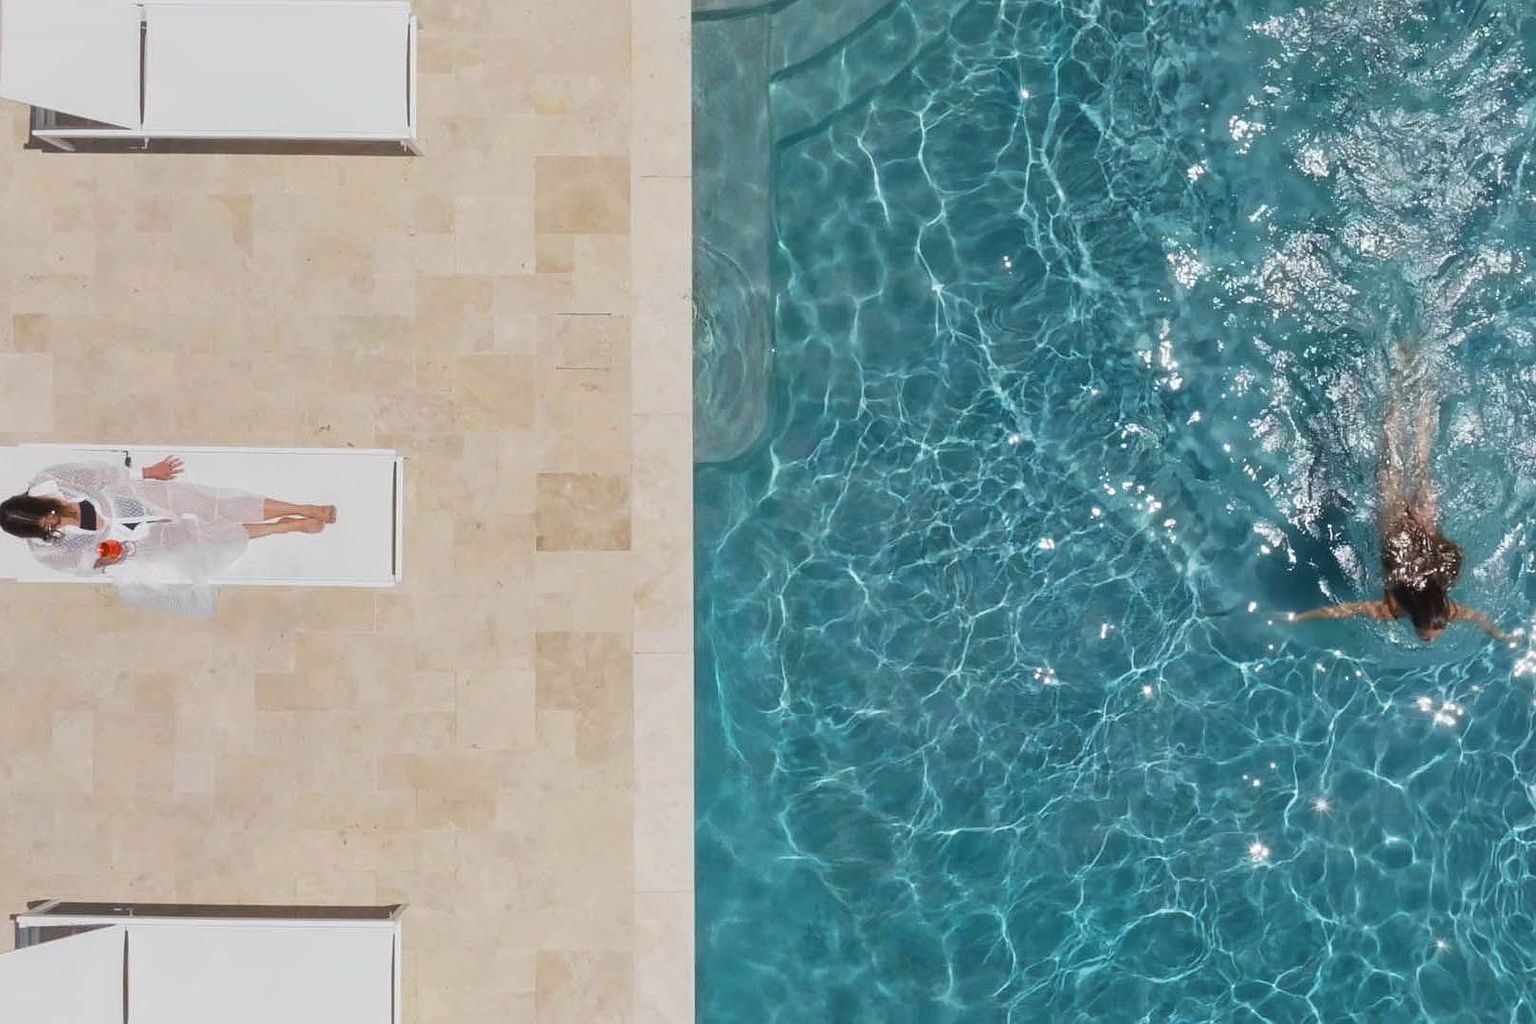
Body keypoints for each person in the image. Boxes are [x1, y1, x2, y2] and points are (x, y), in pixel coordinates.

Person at [1292, 345, 1509, 644]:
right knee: (1389, 454)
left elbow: (1477, 617)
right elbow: (1344, 610)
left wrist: (1499, 634)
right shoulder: (1393, 608)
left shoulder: (1444, 605)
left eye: (1429, 634)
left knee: (1420, 460)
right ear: (1416, 616)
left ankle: (1422, 378)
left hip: (1425, 522)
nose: (1430, 640)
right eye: (1426, 635)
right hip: (1395, 528)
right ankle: (1396, 384)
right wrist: (1299, 618)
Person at [0, 456, 336, 615]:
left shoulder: (52, 481)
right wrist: (111, 554)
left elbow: (100, 474)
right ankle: (287, 526)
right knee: (212, 535)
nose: (54, 520)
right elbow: (88, 563)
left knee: (219, 504)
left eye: (48, 512)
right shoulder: (46, 551)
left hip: (138, 498)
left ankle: (305, 508)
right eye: (46, 526)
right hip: (141, 542)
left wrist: (149, 472)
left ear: (35, 499)